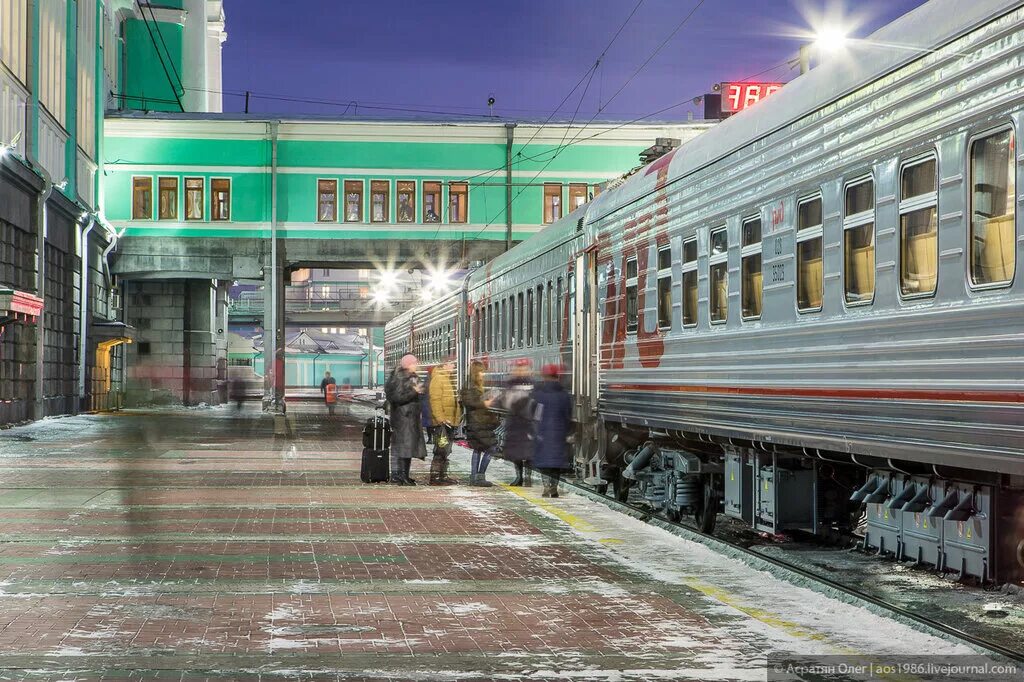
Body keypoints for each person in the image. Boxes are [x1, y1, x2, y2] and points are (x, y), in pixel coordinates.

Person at [531, 364, 573, 498]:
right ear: (558, 377)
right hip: (559, 433)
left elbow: (535, 415)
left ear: (543, 377)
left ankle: (546, 487)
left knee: (544, 462)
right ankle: (554, 488)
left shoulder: (539, 395)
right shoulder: (564, 395)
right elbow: (568, 416)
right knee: (555, 463)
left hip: (543, 432)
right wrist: (567, 431)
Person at [384, 354, 426, 485]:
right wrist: (414, 392)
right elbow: (396, 398)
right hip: (403, 418)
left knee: (408, 447)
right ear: (408, 364)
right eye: (414, 363)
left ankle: (403, 475)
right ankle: (401, 476)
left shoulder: (412, 377)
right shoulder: (399, 378)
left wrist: (419, 392)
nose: (417, 365)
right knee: (404, 447)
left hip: (410, 418)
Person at [461, 360, 497, 487]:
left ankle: (475, 477)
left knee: (478, 449)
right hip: (477, 423)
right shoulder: (470, 387)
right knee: (491, 448)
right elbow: (468, 401)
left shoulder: (475, 387)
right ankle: (479, 476)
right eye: (481, 372)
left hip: (479, 422)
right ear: (476, 373)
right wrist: (484, 403)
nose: (483, 374)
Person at [428, 357, 462, 486]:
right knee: (440, 450)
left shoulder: (448, 379)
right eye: (452, 364)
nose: (454, 367)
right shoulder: (438, 379)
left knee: (446, 450)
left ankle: (443, 475)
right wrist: (441, 418)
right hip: (442, 423)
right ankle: (436, 477)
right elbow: (435, 400)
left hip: (449, 422)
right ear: (445, 365)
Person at [501, 359, 535, 487]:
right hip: (516, 422)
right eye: (519, 368)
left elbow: (536, 401)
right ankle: (519, 477)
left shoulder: (533, 383)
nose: (521, 370)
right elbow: (506, 402)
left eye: (524, 368)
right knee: (517, 453)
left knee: (529, 452)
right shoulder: (511, 383)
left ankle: (528, 477)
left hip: (528, 422)